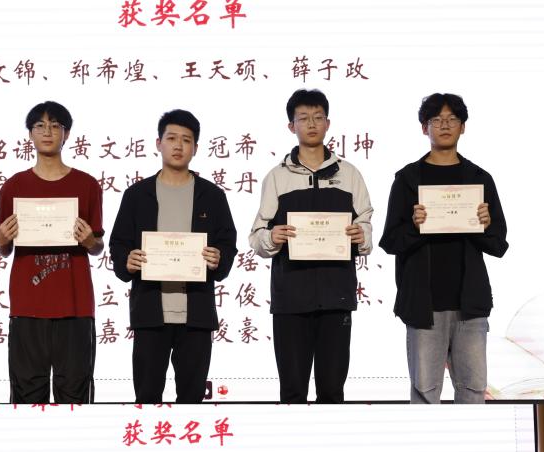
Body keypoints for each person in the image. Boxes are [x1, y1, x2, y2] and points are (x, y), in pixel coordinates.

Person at [379, 92, 508, 402]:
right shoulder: (408, 179)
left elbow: (498, 244)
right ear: (425, 128)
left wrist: (484, 224)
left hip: (470, 305)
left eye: (452, 119)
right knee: (425, 393)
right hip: (423, 304)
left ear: (463, 126)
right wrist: (415, 226)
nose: (445, 125)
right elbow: (390, 241)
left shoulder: (479, 178)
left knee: (473, 390)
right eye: (436, 120)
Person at [249, 89, 373, 402]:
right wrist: (272, 237)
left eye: (318, 117)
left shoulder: (349, 174)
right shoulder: (277, 177)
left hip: (336, 297)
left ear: (328, 123)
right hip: (290, 299)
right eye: (303, 118)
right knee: (292, 391)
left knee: (332, 390)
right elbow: (257, 237)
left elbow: (366, 224)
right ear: (291, 126)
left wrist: (361, 236)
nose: (312, 124)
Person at [110, 109, 237, 402]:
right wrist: (126, 260)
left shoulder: (212, 195)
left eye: (186, 140)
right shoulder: (137, 195)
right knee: (146, 397)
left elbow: (227, 243)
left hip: (196, 316)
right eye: (171, 138)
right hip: (150, 313)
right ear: (158, 143)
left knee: (192, 399)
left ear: (196, 148)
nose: (178, 146)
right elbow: (119, 244)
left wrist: (219, 258)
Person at [0, 101, 103, 403]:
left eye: (55, 126)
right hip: (28, 306)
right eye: (40, 126)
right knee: (27, 395)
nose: (47, 132)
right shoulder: (14, 186)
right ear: (29, 134)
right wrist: (1, 239)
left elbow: (97, 246)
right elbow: (3, 248)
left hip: (76, 307)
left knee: (76, 395)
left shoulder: (87, 185)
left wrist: (89, 241)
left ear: (66, 134)